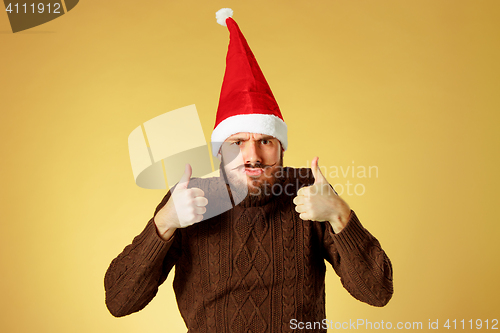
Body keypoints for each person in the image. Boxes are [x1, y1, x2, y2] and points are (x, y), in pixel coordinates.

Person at [104, 8, 393, 333]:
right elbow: (119, 300)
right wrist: (165, 223)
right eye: (238, 141)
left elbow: (377, 292)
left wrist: (340, 215)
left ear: (281, 147)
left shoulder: (310, 192)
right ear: (219, 151)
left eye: (265, 141)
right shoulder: (189, 200)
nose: (252, 155)